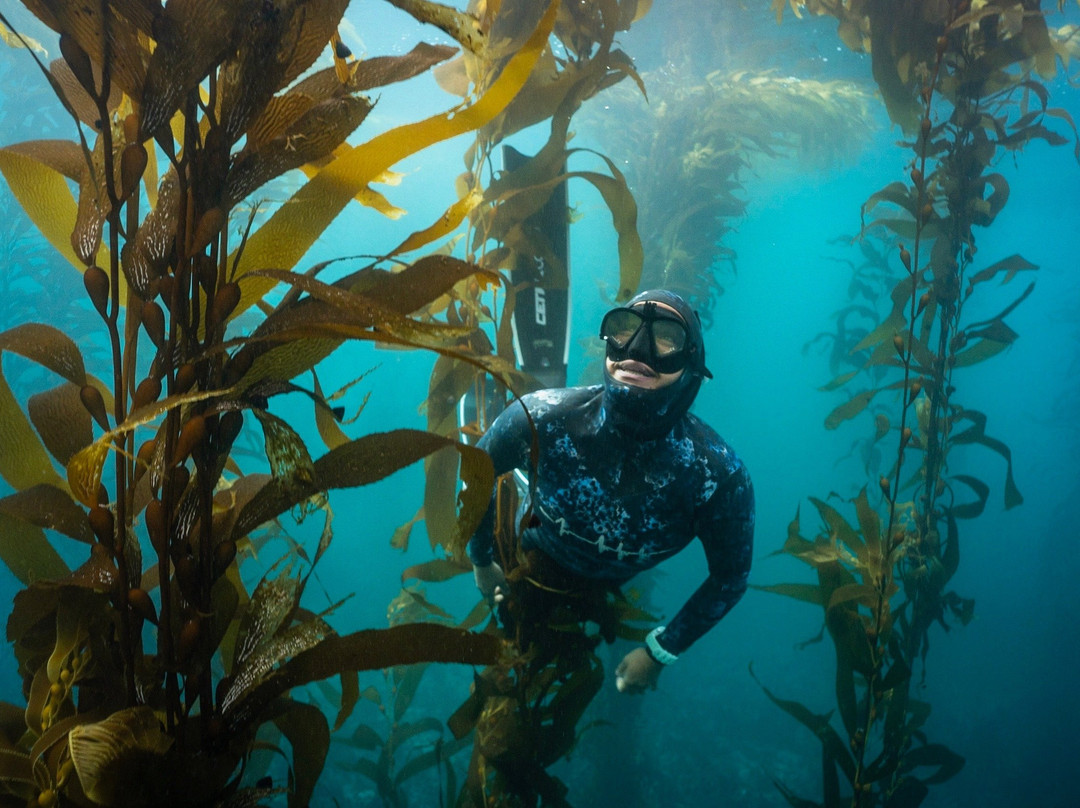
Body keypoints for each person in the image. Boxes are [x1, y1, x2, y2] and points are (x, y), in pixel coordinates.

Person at [468, 289, 754, 694]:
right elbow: (479, 476)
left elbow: (730, 577)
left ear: (692, 365)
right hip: (530, 553)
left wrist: (660, 652)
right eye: (625, 328)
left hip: (610, 582)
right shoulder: (541, 419)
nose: (637, 350)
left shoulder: (717, 479)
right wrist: (481, 559)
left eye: (667, 337)